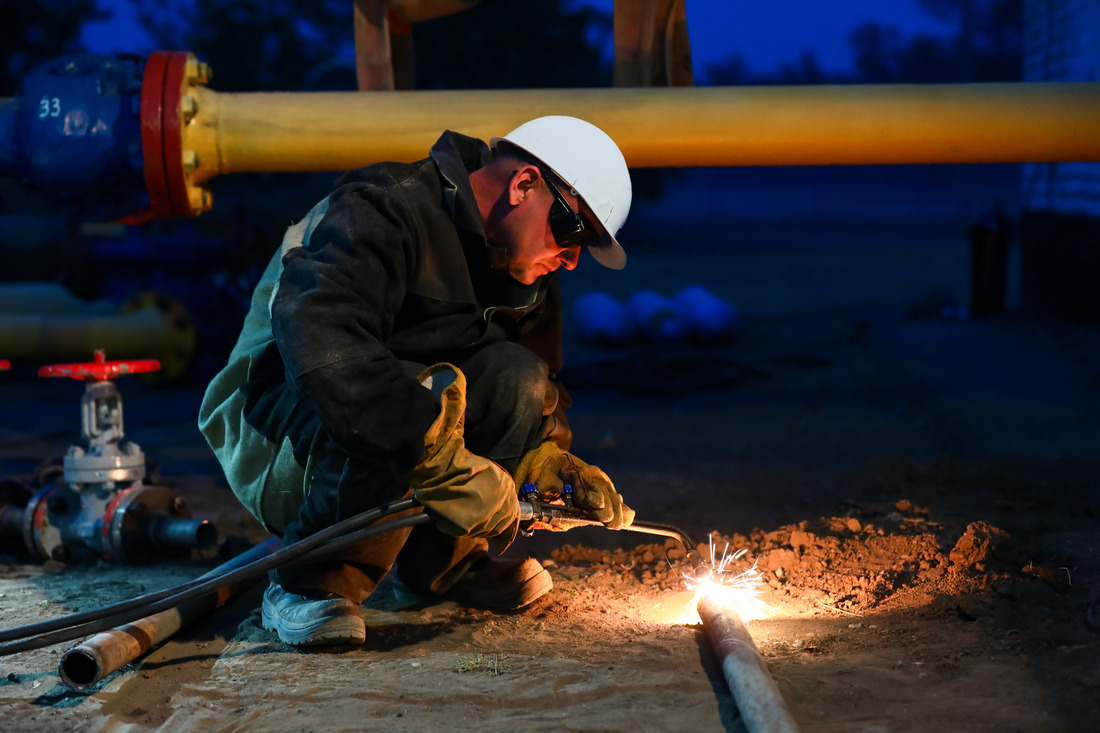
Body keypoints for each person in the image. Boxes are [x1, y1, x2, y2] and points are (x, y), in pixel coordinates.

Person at [198, 115, 636, 647]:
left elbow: (533, 380)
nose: (570, 259)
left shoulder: (525, 268)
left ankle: (440, 568)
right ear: (524, 185)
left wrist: (545, 464)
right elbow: (328, 349)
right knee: (407, 391)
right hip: (277, 430)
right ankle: (310, 582)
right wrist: (434, 457)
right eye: (574, 232)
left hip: (391, 422)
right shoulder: (382, 207)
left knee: (516, 376)